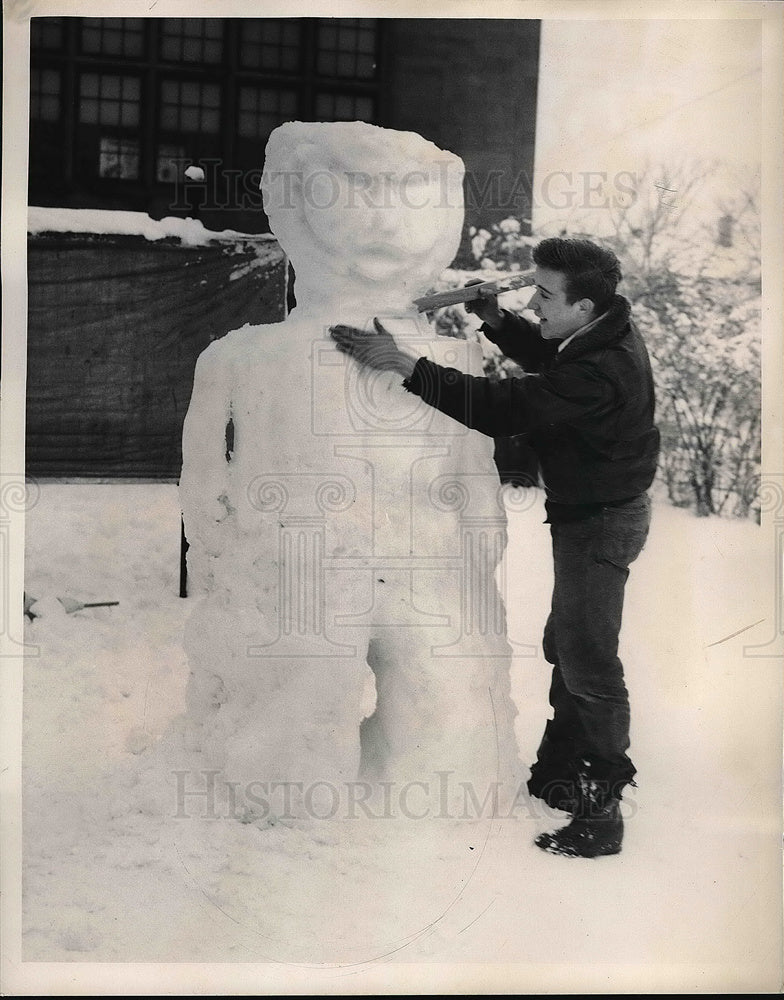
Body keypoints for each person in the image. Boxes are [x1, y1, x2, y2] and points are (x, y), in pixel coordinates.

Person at [330, 236, 660, 857]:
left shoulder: (601, 368)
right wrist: (498, 320)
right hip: (588, 513)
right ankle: (561, 777)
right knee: (568, 642)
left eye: (545, 294)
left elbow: (507, 407)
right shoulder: (598, 333)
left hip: (602, 522)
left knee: (587, 656)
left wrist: (408, 367)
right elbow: (548, 356)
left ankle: (602, 811)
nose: (534, 301)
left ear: (584, 306)